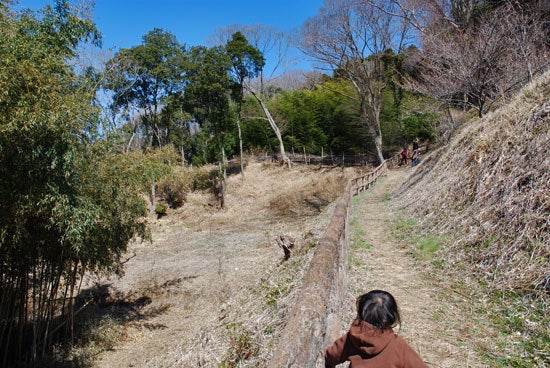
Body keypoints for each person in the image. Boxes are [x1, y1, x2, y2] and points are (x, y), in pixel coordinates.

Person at [325, 290, 428, 368]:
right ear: (392, 318)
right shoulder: (398, 346)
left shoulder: (352, 338)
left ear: (360, 313)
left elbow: (330, 357)